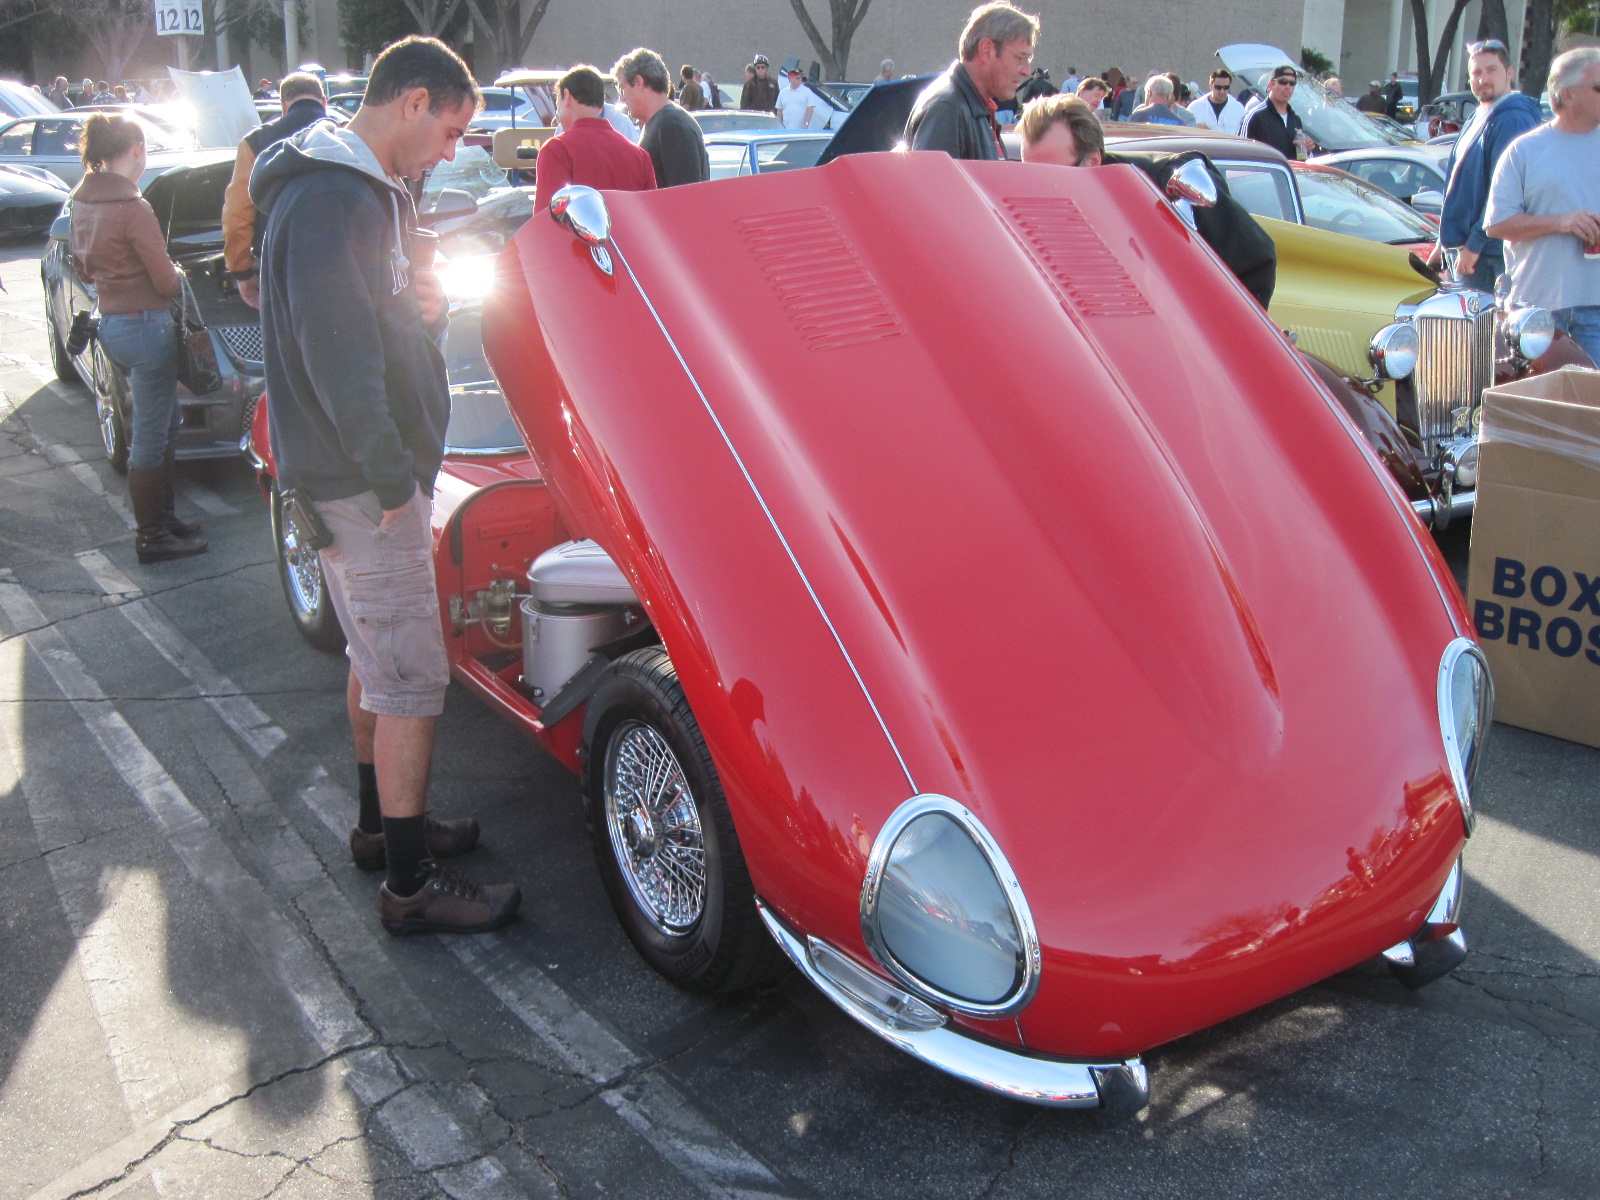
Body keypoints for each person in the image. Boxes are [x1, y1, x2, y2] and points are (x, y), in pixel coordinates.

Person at [252, 35, 520, 936]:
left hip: (347, 477)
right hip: (363, 486)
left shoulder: (352, 185)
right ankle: (410, 885)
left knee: (374, 665)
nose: (452, 151)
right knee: (410, 679)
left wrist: (420, 310)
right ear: (412, 101)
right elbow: (338, 356)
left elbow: (365, 319)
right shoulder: (332, 195)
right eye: (449, 131)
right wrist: (393, 480)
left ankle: (383, 827)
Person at [68, 114, 206, 564]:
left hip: (113, 324)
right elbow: (165, 281)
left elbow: (83, 267)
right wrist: (177, 275)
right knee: (150, 433)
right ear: (135, 150)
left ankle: (165, 520)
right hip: (147, 326)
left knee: (165, 422)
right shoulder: (132, 206)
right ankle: (152, 535)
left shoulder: (82, 202)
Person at [1018, 93, 1277, 309]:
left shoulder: (1163, 186)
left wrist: (1212, 339)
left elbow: (1256, 258)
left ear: (1093, 161)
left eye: (1053, 176)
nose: (1041, 191)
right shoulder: (1027, 210)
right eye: (1028, 176)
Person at [1485, 47, 1600, 364]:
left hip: (1596, 309)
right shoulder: (1524, 150)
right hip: (1536, 311)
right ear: (1567, 94)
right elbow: (1497, 224)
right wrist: (1562, 222)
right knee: (1537, 396)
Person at [1429, 39, 1542, 293]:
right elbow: (1459, 187)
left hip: (1490, 255)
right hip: (1466, 250)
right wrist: (1443, 241)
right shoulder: (1479, 115)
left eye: (1492, 70)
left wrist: (1474, 245)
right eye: (1476, 72)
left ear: (1509, 73)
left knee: (1488, 320)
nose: (1483, 79)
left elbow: (1503, 190)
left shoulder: (1513, 118)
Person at [221, 72, 330, 310]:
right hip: (341, 264)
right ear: (324, 101)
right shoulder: (349, 137)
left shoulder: (255, 142)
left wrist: (241, 270)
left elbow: (237, 215)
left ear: (283, 105)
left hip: (278, 264)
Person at [904, 2, 1039, 159]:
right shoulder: (946, 108)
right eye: (1021, 58)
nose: (1027, 71)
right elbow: (933, 175)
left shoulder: (970, 106)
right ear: (987, 50)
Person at [534, 65, 656, 211]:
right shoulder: (640, 156)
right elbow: (651, 215)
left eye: (557, 102)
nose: (557, 112)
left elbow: (545, 218)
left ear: (567, 96)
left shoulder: (556, 149)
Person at [614, 47, 709, 187]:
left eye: (622, 89)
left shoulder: (672, 125)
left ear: (639, 82)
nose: (622, 99)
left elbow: (685, 194)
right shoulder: (661, 122)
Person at [1245, 64, 1309, 159]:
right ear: (1271, 85)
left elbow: (1301, 158)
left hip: (1290, 168)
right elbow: (1241, 153)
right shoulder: (1255, 116)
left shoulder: (1295, 119)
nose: (1288, 86)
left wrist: (1306, 148)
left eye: (1292, 83)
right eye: (1283, 82)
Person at [1190, 68, 1245, 134]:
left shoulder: (1239, 109)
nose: (1222, 91)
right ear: (1210, 85)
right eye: (1218, 87)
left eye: (1226, 87)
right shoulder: (1195, 107)